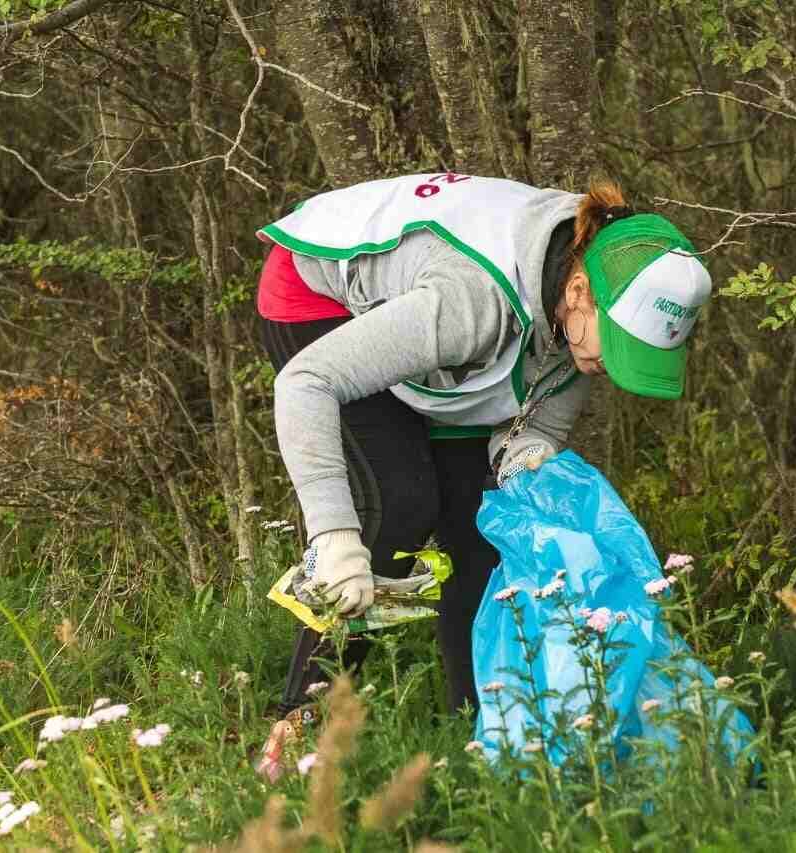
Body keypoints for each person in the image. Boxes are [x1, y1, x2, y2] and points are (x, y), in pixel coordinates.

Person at [254, 172, 711, 722]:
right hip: (317, 289)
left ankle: (476, 729)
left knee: (479, 522)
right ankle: (299, 721)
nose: (613, 367)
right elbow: (306, 383)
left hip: (430, 305)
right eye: (616, 346)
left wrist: (528, 465)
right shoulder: (471, 306)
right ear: (577, 294)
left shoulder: (589, 280)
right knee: (398, 501)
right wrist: (332, 534)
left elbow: (530, 434)